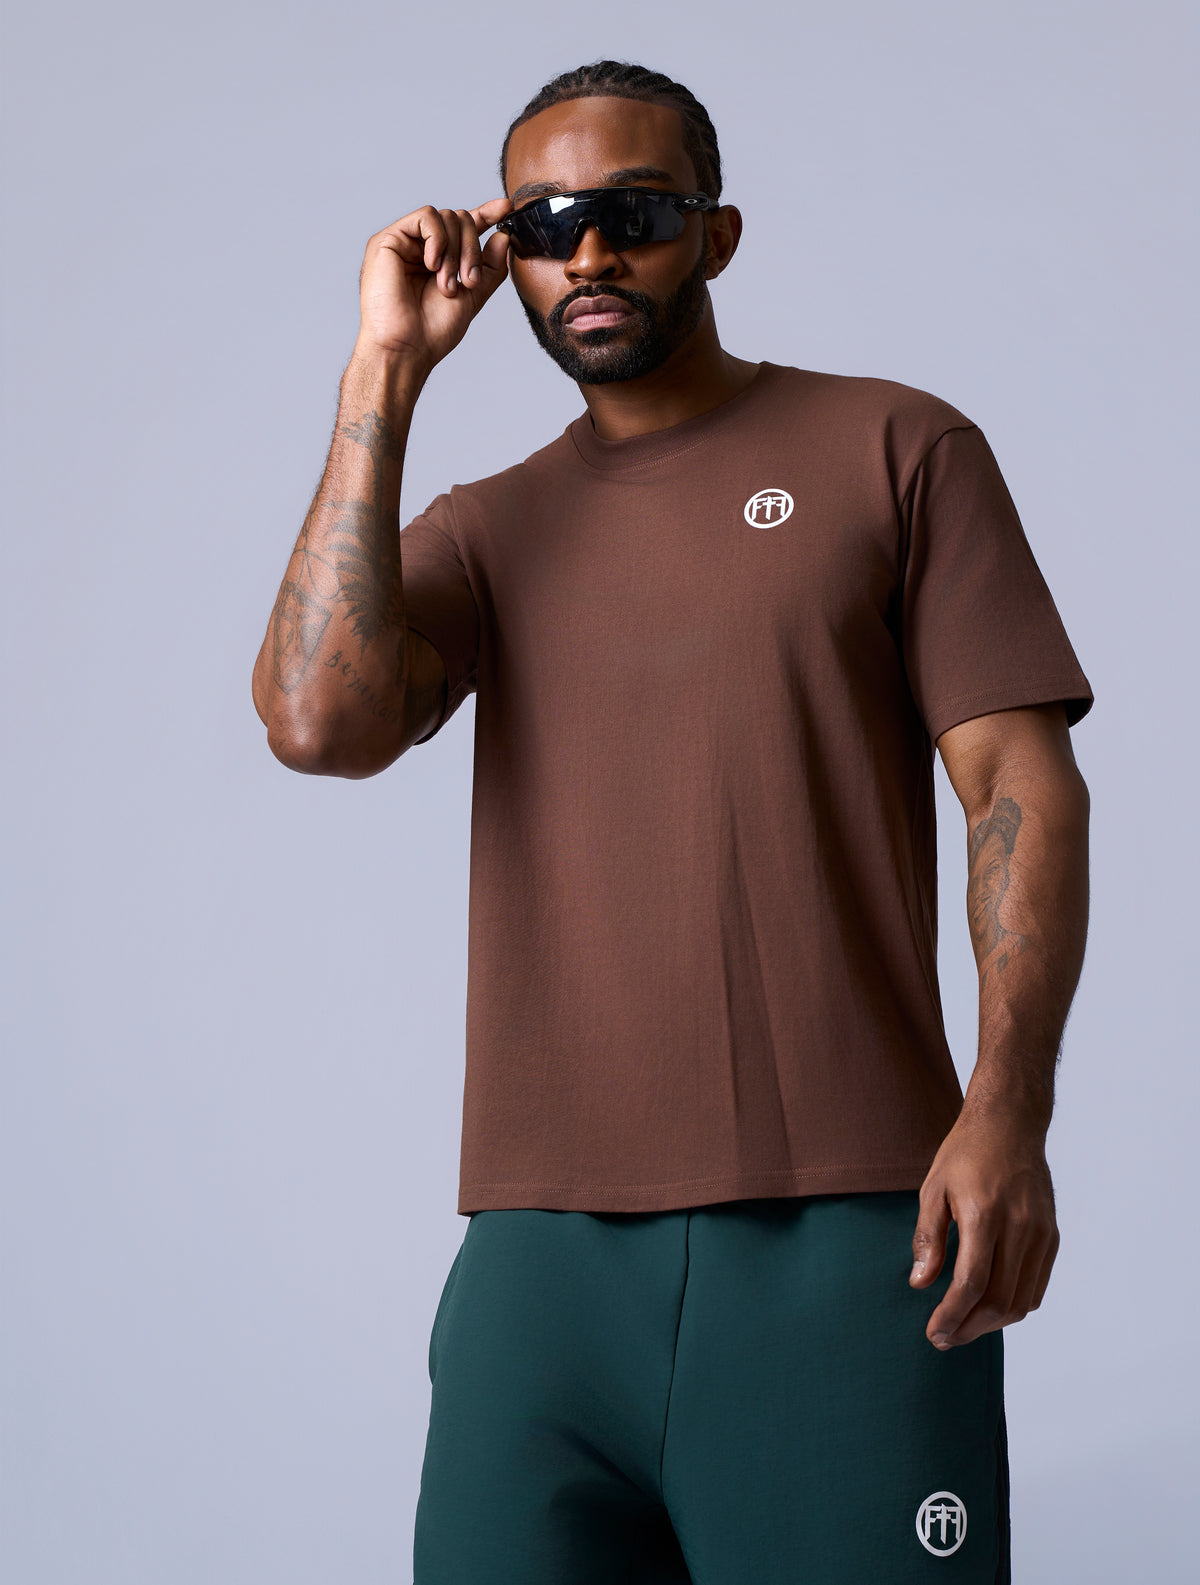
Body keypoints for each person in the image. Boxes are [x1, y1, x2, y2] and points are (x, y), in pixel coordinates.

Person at [251, 58, 1093, 1585]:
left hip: (850, 1230)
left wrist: (1009, 1105)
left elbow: (1017, 787)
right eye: (543, 223)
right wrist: (384, 369)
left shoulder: (897, 450)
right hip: (536, 1264)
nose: (587, 253)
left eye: (632, 214)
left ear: (716, 233)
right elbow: (316, 720)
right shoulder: (488, 529)